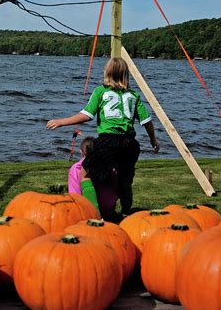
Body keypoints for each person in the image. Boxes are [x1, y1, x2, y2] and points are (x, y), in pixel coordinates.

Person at [47, 57, 160, 218]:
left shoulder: (101, 91)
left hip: (107, 141)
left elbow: (86, 115)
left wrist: (61, 122)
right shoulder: (134, 95)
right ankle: (127, 213)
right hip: (130, 144)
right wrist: (153, 140)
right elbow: (147, 122)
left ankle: (95, 214)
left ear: (107, 73)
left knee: (85, 173)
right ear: (126, 75)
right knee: (125, 180)